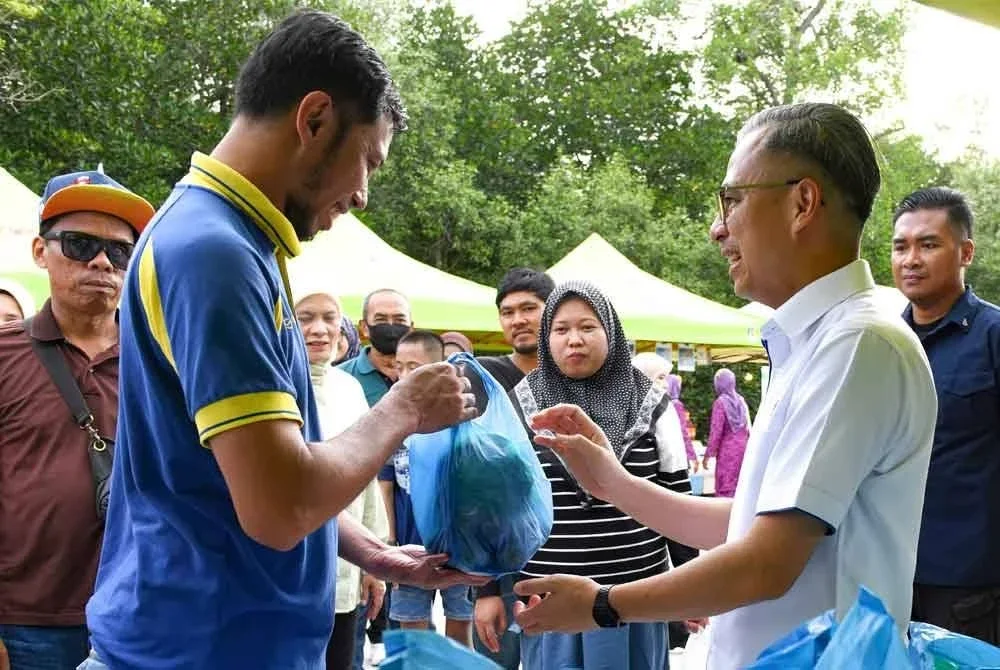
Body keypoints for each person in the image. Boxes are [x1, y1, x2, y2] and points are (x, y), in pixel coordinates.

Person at [80, 12, 484, 670]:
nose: (361, 194)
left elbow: (250, 472)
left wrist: (371, 553)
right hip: (198, 652)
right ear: (315, 118)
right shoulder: (215, 254)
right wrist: (403, 408)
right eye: (368, 161)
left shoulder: (231, 242)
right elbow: (280, 503)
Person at [513, 102, 938, 669]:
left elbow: (767, 560)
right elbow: (751, 521)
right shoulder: (815, 342)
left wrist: (604, 605)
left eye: (732, 200)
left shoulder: (858, 344)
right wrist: (613, 481)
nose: (719, 228)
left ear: (802, 203)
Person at [477, 280, 691, 669]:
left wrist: (692, 587)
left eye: (588, 327)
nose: (574, 340)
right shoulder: (517, 405)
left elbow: (677, 492)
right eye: (561, 330)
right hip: (549, 603)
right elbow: (497, 505)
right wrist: (488, 592)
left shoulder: (652, 404)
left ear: (611, 331)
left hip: (634, 600)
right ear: (547, 338)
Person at [0, 170, 154, 670]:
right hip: (26, 622)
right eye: (80, 243)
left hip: (140, 615)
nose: (102, 262)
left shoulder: (165, 362)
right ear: (41, 252)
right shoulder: (4, 355)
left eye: (120, 250)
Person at [891, 186, 1000, 644]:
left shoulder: (992, 337)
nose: (911, 258)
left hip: (969, 593)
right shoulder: (883, 345)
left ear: (965, 252)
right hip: (885, 579)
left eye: (929, 244)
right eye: (901, 246)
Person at [294, 289, 390, 669]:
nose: (319, 329)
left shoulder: (349, 389)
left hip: (346, 568)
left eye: (329, 318)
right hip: (287, 567)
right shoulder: (270, 388)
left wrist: (375, 561)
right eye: (305, 317)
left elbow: (367, 477)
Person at [380, 330, 475, 646]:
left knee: (461, 630)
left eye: (414, 366)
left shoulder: (461, 420)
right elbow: (385, 485)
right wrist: (390, 542)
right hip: (409, 548)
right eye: (399, 365)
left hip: (460, 549)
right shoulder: (390, 419)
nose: (404, 375)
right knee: (412, 633)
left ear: (439, 368)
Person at [478, 268, 555, 390]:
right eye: (508, 312)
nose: (517, 321)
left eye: (528, 308)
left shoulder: (578, 376)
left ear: (553, 310)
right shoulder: (483, 375)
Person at [339, 288, 412, 406]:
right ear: (364, 328)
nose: (390, 326)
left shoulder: (429, 376)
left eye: (399, 320)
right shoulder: (340, 378)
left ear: (411, 328)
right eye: (381, 319)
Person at [702, 368, 751, 498]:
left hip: (728, 451)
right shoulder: (742, 401)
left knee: (725, 487)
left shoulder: (720, 403)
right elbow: (748, 427)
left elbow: (716, 432)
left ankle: (724, 516)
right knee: (740, 486)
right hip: (744, 448)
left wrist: (708, 455)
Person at [666, 374, 698, 472]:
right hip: (676, 452)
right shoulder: (676, 405)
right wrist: (692, 456)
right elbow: (683, 432)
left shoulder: (661, 402)